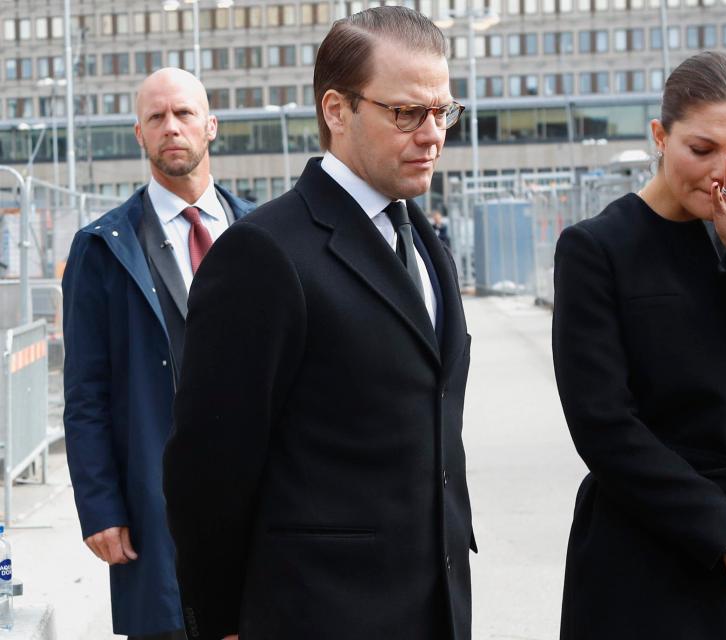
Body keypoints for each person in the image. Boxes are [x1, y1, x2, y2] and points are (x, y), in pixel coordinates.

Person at [162, 7, 474, 640]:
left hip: (432, 605)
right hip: (317, 610)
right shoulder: (264, 254)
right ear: (337, 111)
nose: (432, 134)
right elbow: (209, 469)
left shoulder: (423, 242)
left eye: (442, 111)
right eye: (407, 112)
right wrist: (221, 620)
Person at [552, 51, 726, 640]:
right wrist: (721, 528)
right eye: (702, 150)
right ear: (660, 137)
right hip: (648, 534)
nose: (724, 173)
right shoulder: (597, 248)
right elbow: (602, 424)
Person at [62, 67, 254, 640]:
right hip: (157, 503)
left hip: (260, 500)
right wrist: (100, 506)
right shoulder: (101, 249)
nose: (172, 127)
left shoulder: (264, 232)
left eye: (185, 113)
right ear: (139, 135)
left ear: (211, 125)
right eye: (156, 117)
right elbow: (85, 395)